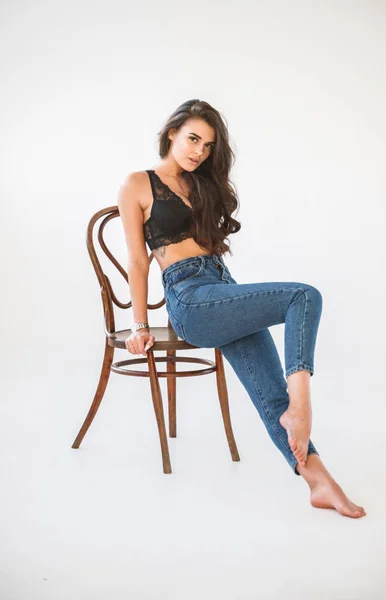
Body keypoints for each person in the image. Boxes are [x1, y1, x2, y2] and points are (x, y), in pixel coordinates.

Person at [118, 99, 366, 519]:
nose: (199, 151)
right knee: (302, 295)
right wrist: (138, 324)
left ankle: (320, 482)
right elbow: (138, 260)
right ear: (172, 133)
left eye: (208, 146)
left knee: (272, 396)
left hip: (220, 289)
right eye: (193, 139)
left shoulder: (201, 185)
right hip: (190, 300)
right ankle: (302, 403)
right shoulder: (137, 184)